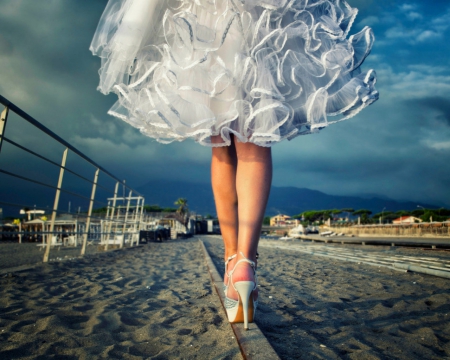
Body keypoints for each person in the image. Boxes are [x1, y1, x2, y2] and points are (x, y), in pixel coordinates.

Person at [91, 0, 378, 330]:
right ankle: (246, 263)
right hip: (256, 10)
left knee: (221, 147)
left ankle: (231, 261)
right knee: (254, 138)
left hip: (204, 12)